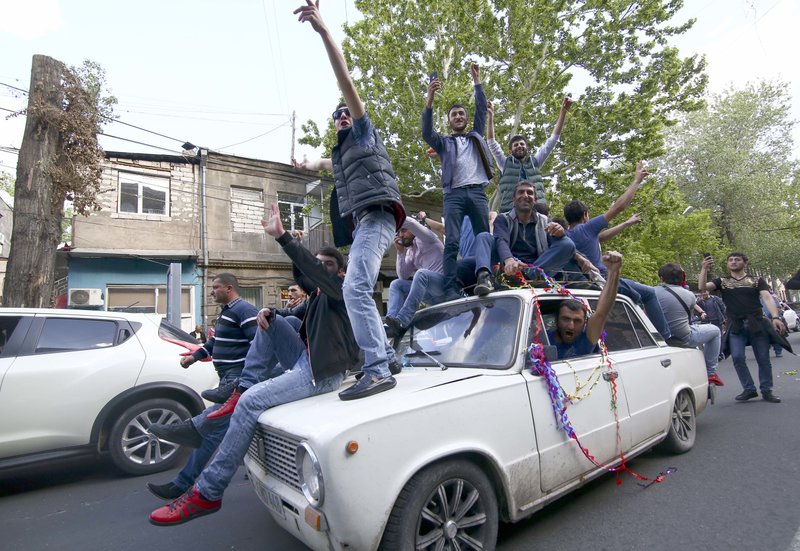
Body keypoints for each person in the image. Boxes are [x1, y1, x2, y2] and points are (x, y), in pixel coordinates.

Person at [148, 203, 360, 526]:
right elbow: (301, 294)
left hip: (322, 375)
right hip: (304, 361)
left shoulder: (344, 290)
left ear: (340, 272)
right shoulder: (317, 298)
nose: (319, 270)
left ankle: (207, 492)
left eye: (327, 266)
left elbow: (314, 274)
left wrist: (285, 238)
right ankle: (241, 388)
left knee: (249, 403)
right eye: (318, 266)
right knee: (270, 318)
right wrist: (270, 314)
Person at [295, 0, 404, 401]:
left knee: (355, 288)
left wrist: (324, 33)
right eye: (337, 116)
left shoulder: (363, 135)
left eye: (346, 114)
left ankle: (376, 368)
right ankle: (388, 358)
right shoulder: (343, 155)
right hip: (367, 223)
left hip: (378, 217)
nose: (343, 116)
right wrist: (308, 163)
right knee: (359, 288)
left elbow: (347, 85)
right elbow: (326, 162)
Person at [146, 274, 258, 500]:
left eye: (216, 288)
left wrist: (246, 379)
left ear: (229, 288)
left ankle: (183, 480)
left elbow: (259, 345)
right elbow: (215, 343)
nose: (212, 292)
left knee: (214, 429)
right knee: (236, 427)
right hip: (227, 378)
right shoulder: (226, 311)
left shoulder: (244, 310)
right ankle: (252, 470)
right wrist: (194, 357)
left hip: (237, 379)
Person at [563, 163, 671, 339]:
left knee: (637, 296)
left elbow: (602, 238)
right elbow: (618, 207)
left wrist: (627, 223)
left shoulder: (568, 235)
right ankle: (665, 337)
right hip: (604, 278)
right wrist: (636, 181)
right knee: (649, 294)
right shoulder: (587, 228)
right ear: (585, 215)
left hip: (591, 281)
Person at [423, 61, 495, 298]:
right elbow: (426, 132)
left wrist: (477, 81)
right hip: (453, 194)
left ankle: (486, 276)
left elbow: (482, 109)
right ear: (450, 120)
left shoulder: (475, 136)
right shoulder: (444, 143)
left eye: (462, 113)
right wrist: (430, 97)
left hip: (476, 192)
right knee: (452, 241)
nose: (459, 116)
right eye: (454, 114)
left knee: (484, 235)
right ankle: (450, 287)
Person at [699, 252, 791, 403]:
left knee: (763, 358)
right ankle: (749, 389)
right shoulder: (722, 281)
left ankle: (767, 390)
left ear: (745, 263)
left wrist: (775, 317)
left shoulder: (756, 280)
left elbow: (767, 298)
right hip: (736, 325)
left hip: (757, 323)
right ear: (728, 264)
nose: (733, 262)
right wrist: (704, 269)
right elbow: (703, 288)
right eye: (730, 260)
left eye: (737, 259)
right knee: (737, 357)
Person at [487, 97, 572, 212]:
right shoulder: (504, 163)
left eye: (522, 144)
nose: (519, 146)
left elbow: (552, 140)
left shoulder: (535, 162)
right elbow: (492, 143)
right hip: (511, 211)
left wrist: (563, 113)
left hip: (537, 210)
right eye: (515, 145)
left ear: (527, 148)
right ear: (510, 151)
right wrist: (491, 116)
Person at [492, 181, 577, 280]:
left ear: (535, 200)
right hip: (512, 270)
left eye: (529, 193)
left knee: (567, 243)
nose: (525, 195)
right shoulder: (503, 219)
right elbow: (501, 241)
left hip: (538, 269)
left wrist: (561, 234)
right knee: (485, 237)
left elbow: (562, 246)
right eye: (521, 192)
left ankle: (531, 276)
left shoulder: (544, 221)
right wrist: (509, 260)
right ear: (513, 199)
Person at [654, 263, 723, 386]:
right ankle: (710, 371)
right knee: (715, 331)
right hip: (683, 337)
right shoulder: (689, 295)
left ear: (661, 278)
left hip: (658, 337)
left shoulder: (652, 292)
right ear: (682, 278)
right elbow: (688, 317)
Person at [547, 251, 623, 359]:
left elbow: (602, 312)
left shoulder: (586, 339)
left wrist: (613, 271)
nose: (571, 326)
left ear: (585, 323)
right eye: (565, 319)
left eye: (577, 321)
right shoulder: (542, 339)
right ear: (556, 319)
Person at [387, 214, 444, 320]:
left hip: (443, 286)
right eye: (399, 233)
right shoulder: (410, 251)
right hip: (430, 294)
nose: (401, 235)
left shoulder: (427, 237)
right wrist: (400, 252)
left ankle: (403, 318)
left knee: (421, 273)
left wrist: (391, 214)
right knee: (396, 284)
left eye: (403, 231)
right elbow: (403, 276)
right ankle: (391, 320)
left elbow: (412, 223)